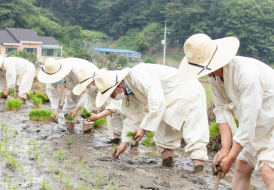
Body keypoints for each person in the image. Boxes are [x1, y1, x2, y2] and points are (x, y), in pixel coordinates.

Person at [177, 33, 274, 189]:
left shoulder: (247, 75)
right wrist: (225, 150)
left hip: (270, 122)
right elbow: (221, 111)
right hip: (259, 124)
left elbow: (249, 121)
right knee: (242, 166)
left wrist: (231, 158)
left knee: (268, 170)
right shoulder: (214, 77)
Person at [95, 64, 209, 172]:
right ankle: (167, 168)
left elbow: (157, 102)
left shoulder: (138, 74)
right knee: (164, 137)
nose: (112, 97)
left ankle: (199, 174)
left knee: (195, 135)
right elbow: (132, 119)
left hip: (188, 89)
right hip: (168, 102)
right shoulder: (128, 94)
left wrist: (143, 127)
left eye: (111, 94)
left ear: (118, 85)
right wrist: (123, 144)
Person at [38, 58, 98, 132]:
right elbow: (52, 92)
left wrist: (77, 108)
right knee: (67, 111)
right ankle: (71, 133)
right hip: (73, 85)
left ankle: (87, 135)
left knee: (88, 111)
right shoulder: (51, 74)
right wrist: (55, 110)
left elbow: (85, 92)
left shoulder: (78, 71)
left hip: (92, 83)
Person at [73, 67, 124, 143]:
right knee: (115, 127)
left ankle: (133, 148)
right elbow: (91, 102)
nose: (87, 87)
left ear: (93, 80)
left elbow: (116, 104)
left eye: (87, 85)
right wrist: (88, 113)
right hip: (116, 102)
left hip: (124, 99)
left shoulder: (106, 80)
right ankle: (115, 143)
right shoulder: (92, 88)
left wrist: (98, 116)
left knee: (129, 121)